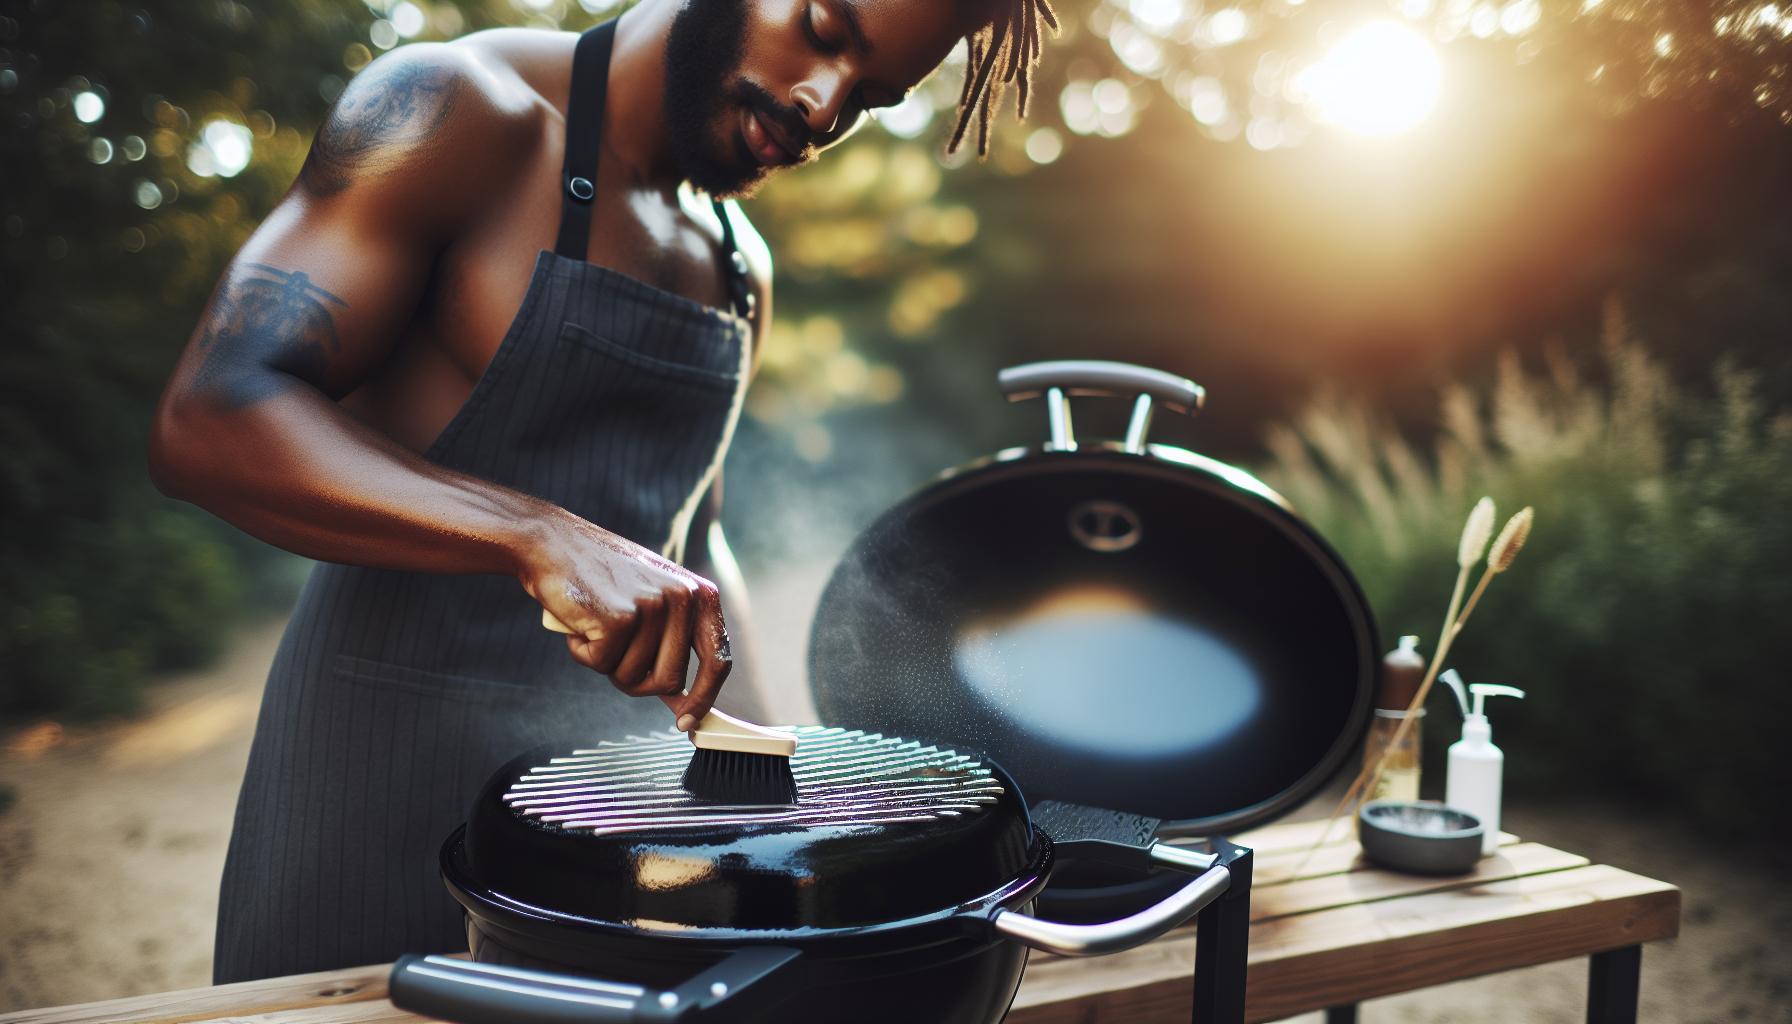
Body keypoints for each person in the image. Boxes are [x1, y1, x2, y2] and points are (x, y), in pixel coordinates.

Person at [149, 0, 1056, 985]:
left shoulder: (738, 267)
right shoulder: (454, 109)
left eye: (871, 97)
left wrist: (778, 785)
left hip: (612, 840)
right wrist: (535, 533)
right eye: (825, 26)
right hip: (368, 790)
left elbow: (692, 547)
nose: (822, 103)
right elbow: (210, 417)